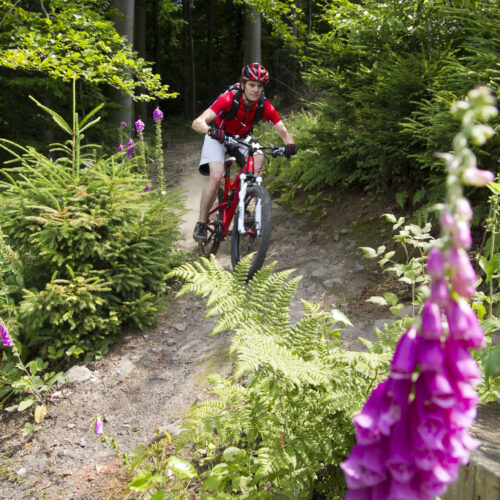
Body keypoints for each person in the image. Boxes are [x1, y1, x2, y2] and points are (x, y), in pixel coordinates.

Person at [191, 62, 297, 242]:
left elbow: (284, 132)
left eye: (259, 86)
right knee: (216, 177)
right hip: (218, 136)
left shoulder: (264, 106)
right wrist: (210, 130)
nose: (255, 90)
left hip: (241, 138)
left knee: (258, 157)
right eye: (251, 85)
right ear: (243, 84)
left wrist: (290, 145)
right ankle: (201, 223)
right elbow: (197, 122)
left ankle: (244, 199)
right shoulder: (229, 99)